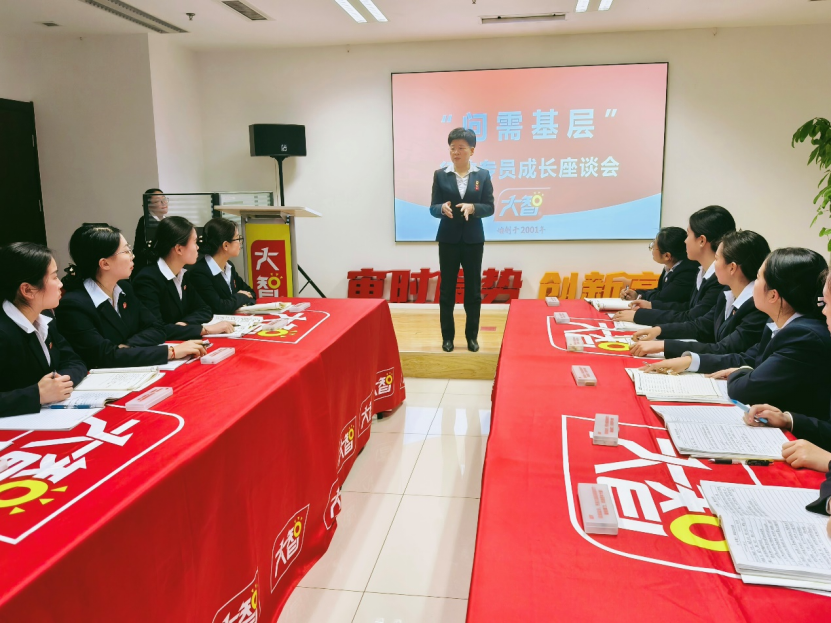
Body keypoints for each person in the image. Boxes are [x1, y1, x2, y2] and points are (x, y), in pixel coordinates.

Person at [640, 248, 831, 417]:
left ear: (773, 295)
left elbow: (745, 389)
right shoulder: (779, 323)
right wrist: (690, 361)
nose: (754, 283)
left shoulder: (802, 335)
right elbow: (746, 358)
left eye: (758, 278)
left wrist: (743, 372)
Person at [57, 224, 207, 368]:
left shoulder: (124, 289)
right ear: (105, 264)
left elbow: (156, 328)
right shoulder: (74, 306)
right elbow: (104, 355)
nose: (132, 256)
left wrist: (127, 347)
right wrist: (171, 352)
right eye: (126, 251)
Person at [741, 268, 831, 471]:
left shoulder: (806, 334)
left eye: (826, 303)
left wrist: (828, 460)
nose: (823, 311)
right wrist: (788, 420)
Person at [630, 230, 770, 358]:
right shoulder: (727, 294)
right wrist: (659, 330)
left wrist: (665, 346)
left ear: (732, 268)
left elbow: (725, 348)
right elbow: (702, 325)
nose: (714, 265)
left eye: (717, 259)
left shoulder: (756, 307)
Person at [0, 243, 88, 417]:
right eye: (54, 277)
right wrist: (37, 394)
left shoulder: (44, 316)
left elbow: (74, 361)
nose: (60, 284)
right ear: (27, 290)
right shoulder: (4, 332)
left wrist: (59, 383)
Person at [429, 127, 495, 353]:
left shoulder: (482, 175)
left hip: (473, 240)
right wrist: (441, 208)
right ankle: (447, 337)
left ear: (472, 150)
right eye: (452, 148)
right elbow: (433, 207)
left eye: (461, 148)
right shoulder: (440, 175)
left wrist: (473, 207)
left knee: (473, 290)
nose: (455, 152)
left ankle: (472, 337)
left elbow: (489, 207)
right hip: (448, 239)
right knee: (447, 290)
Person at [614, 206, 735, 325]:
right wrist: (650, 305)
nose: (685, 241)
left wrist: (642, 316)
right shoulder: (702, 271)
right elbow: (689, 307)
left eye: (688, 234)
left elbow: (693, 318)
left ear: (702, 241)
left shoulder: (719, 279)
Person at [133, 216, 233, 340]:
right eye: (195, 242)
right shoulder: (147, 280)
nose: (198, 247)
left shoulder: (182, 274)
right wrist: (204, 329)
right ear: (179, 249)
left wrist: (184, 324)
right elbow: (155, 329)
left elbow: (204, 309)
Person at [188, 217, 256, 314]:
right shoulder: (200, 272)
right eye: (237, 238)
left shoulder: (229, 266)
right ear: (226, 245)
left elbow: (251, 292)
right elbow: (220, 307)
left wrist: (236, 302)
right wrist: (240, 297)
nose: (240, 243)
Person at [620, 227, 698, 305]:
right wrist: (636, 294)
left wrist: (640, 296)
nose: (652, 249)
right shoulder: (671, 267)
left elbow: (663, 297)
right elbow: (660, 291)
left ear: (667, 256)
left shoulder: (687, 272)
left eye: (654, 246)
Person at [133, 188, 168, 274]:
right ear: (148, 206)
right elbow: (143, 250)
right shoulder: (146, 221)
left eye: (164, 199)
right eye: (157, 201)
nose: (163, 203)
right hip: (148, 268)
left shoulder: (167, 221)